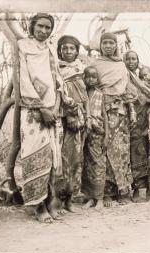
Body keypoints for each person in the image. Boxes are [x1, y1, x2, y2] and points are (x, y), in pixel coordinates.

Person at [18, 13, 65, 222]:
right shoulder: (22, 46)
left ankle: (49, 202)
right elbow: (24, 79)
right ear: (32, 26)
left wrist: (55, 107)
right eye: (41, 27)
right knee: (35, 153)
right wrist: (40, 108)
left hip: (52, 109)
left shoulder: (50, 48)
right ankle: (37, 207)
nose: (44, 31)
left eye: (48, 27)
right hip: (32, 112)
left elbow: (56, 78)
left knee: (52, 157)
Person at [93, 32, 137, 206]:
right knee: (104, 150)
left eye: (112, 43)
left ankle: (124, 191)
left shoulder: (121, 65)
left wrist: (132, 111)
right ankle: (108, 192)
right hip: (101, 112)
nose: (109, 46)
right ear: (100, 45)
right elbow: (92, 87)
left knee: (122, 150)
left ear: (116, 45)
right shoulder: (95, 64)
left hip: (120, 113)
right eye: (105, 43)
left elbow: (127, 91)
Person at [57, 35, 91, 212]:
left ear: (77, 51)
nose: (68, 51)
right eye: (65, 48)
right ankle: (59, 199)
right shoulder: (56, 68)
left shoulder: (82, 68)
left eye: (72, 48)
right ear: (60, 50)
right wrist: (68, 113)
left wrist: (87, 116)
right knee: (63, 158)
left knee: (76, 158)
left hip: (80, 118)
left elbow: (86, 95)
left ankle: (70, 198)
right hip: (62, 118)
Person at [123, 50, 150, 202]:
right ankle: (135, 189)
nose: (130, 61)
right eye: (127, 59)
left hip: (147, 119)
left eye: (133, 59)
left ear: (137, 60)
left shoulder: (144, 78)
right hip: (132, 118)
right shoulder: (124, 76)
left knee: (149, 153)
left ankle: (149, 187)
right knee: (134, 153)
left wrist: (146, 100)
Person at [81, 66, 109, 210]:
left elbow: (104, 115)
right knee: (86, 165)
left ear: (98, 79)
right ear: (84, 78)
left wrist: (106, 136)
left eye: (94, 77)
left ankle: (99, 198)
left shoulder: (100, 94)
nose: (91, 79)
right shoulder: (81, 93)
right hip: (83, 132)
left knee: (98, 165)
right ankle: (89, 197)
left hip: (97, 133)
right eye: (88, 76)